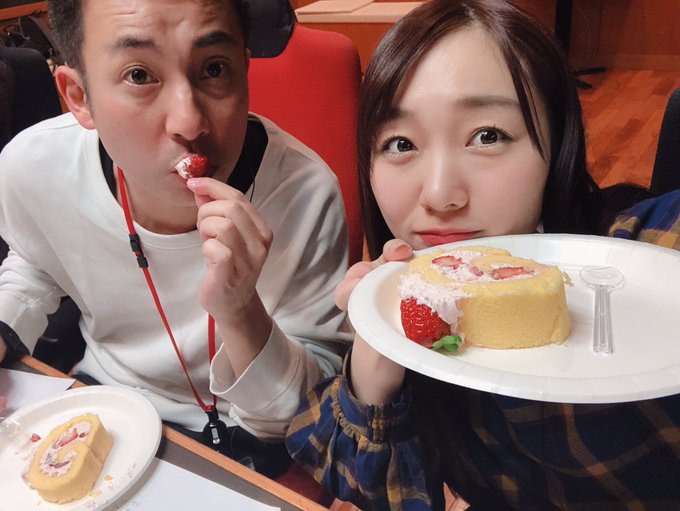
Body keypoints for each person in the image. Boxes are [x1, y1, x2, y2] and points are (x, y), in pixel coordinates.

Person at [286, 1, 680, 509]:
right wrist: (375, 359)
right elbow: (376, 490)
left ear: (557, 144)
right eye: (401, 144)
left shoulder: (635, 255)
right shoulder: (414, 309)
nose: (440, 194)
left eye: (487, 136)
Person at [0, 0, 351, 480]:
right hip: (103, 400)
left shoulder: (304, 192)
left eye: (214, 69)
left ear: (245, 70)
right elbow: (36, 265)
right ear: (79, 97)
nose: (189, 122)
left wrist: (240, 309)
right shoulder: (34, 166)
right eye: (139, 75)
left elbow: (305, 411)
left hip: (246, 435)